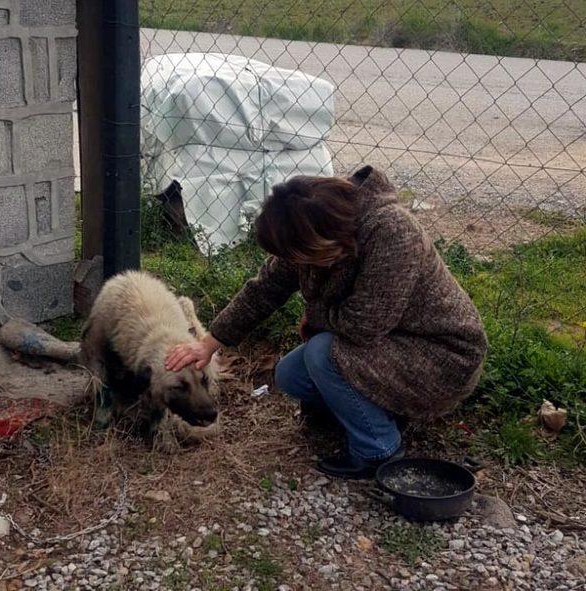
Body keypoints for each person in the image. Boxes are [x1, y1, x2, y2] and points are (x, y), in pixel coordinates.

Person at [165, 165, 488, 479]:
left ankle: (378, 450)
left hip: (441, 356)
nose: (294, 264)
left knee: (323, 353)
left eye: (298, 257)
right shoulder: (315, 227)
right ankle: (377, 414)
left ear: (320, 242)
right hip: (391, 345)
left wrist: (315, 317)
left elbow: (364, 325)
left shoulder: (391, 231)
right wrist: (208, 344)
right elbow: (265, 288)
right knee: (291, 375)